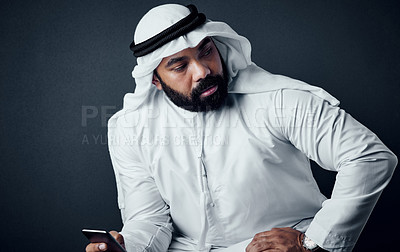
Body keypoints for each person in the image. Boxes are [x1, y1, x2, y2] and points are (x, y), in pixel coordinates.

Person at [86, 4, 397, 252]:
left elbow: (369, 157)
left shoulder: (278, 100)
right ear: (155, 80)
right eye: (180, 66)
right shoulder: (131, 127)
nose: (203, 71)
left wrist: (312, 240)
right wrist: (128, 246)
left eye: (206, 51)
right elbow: (149, 219)